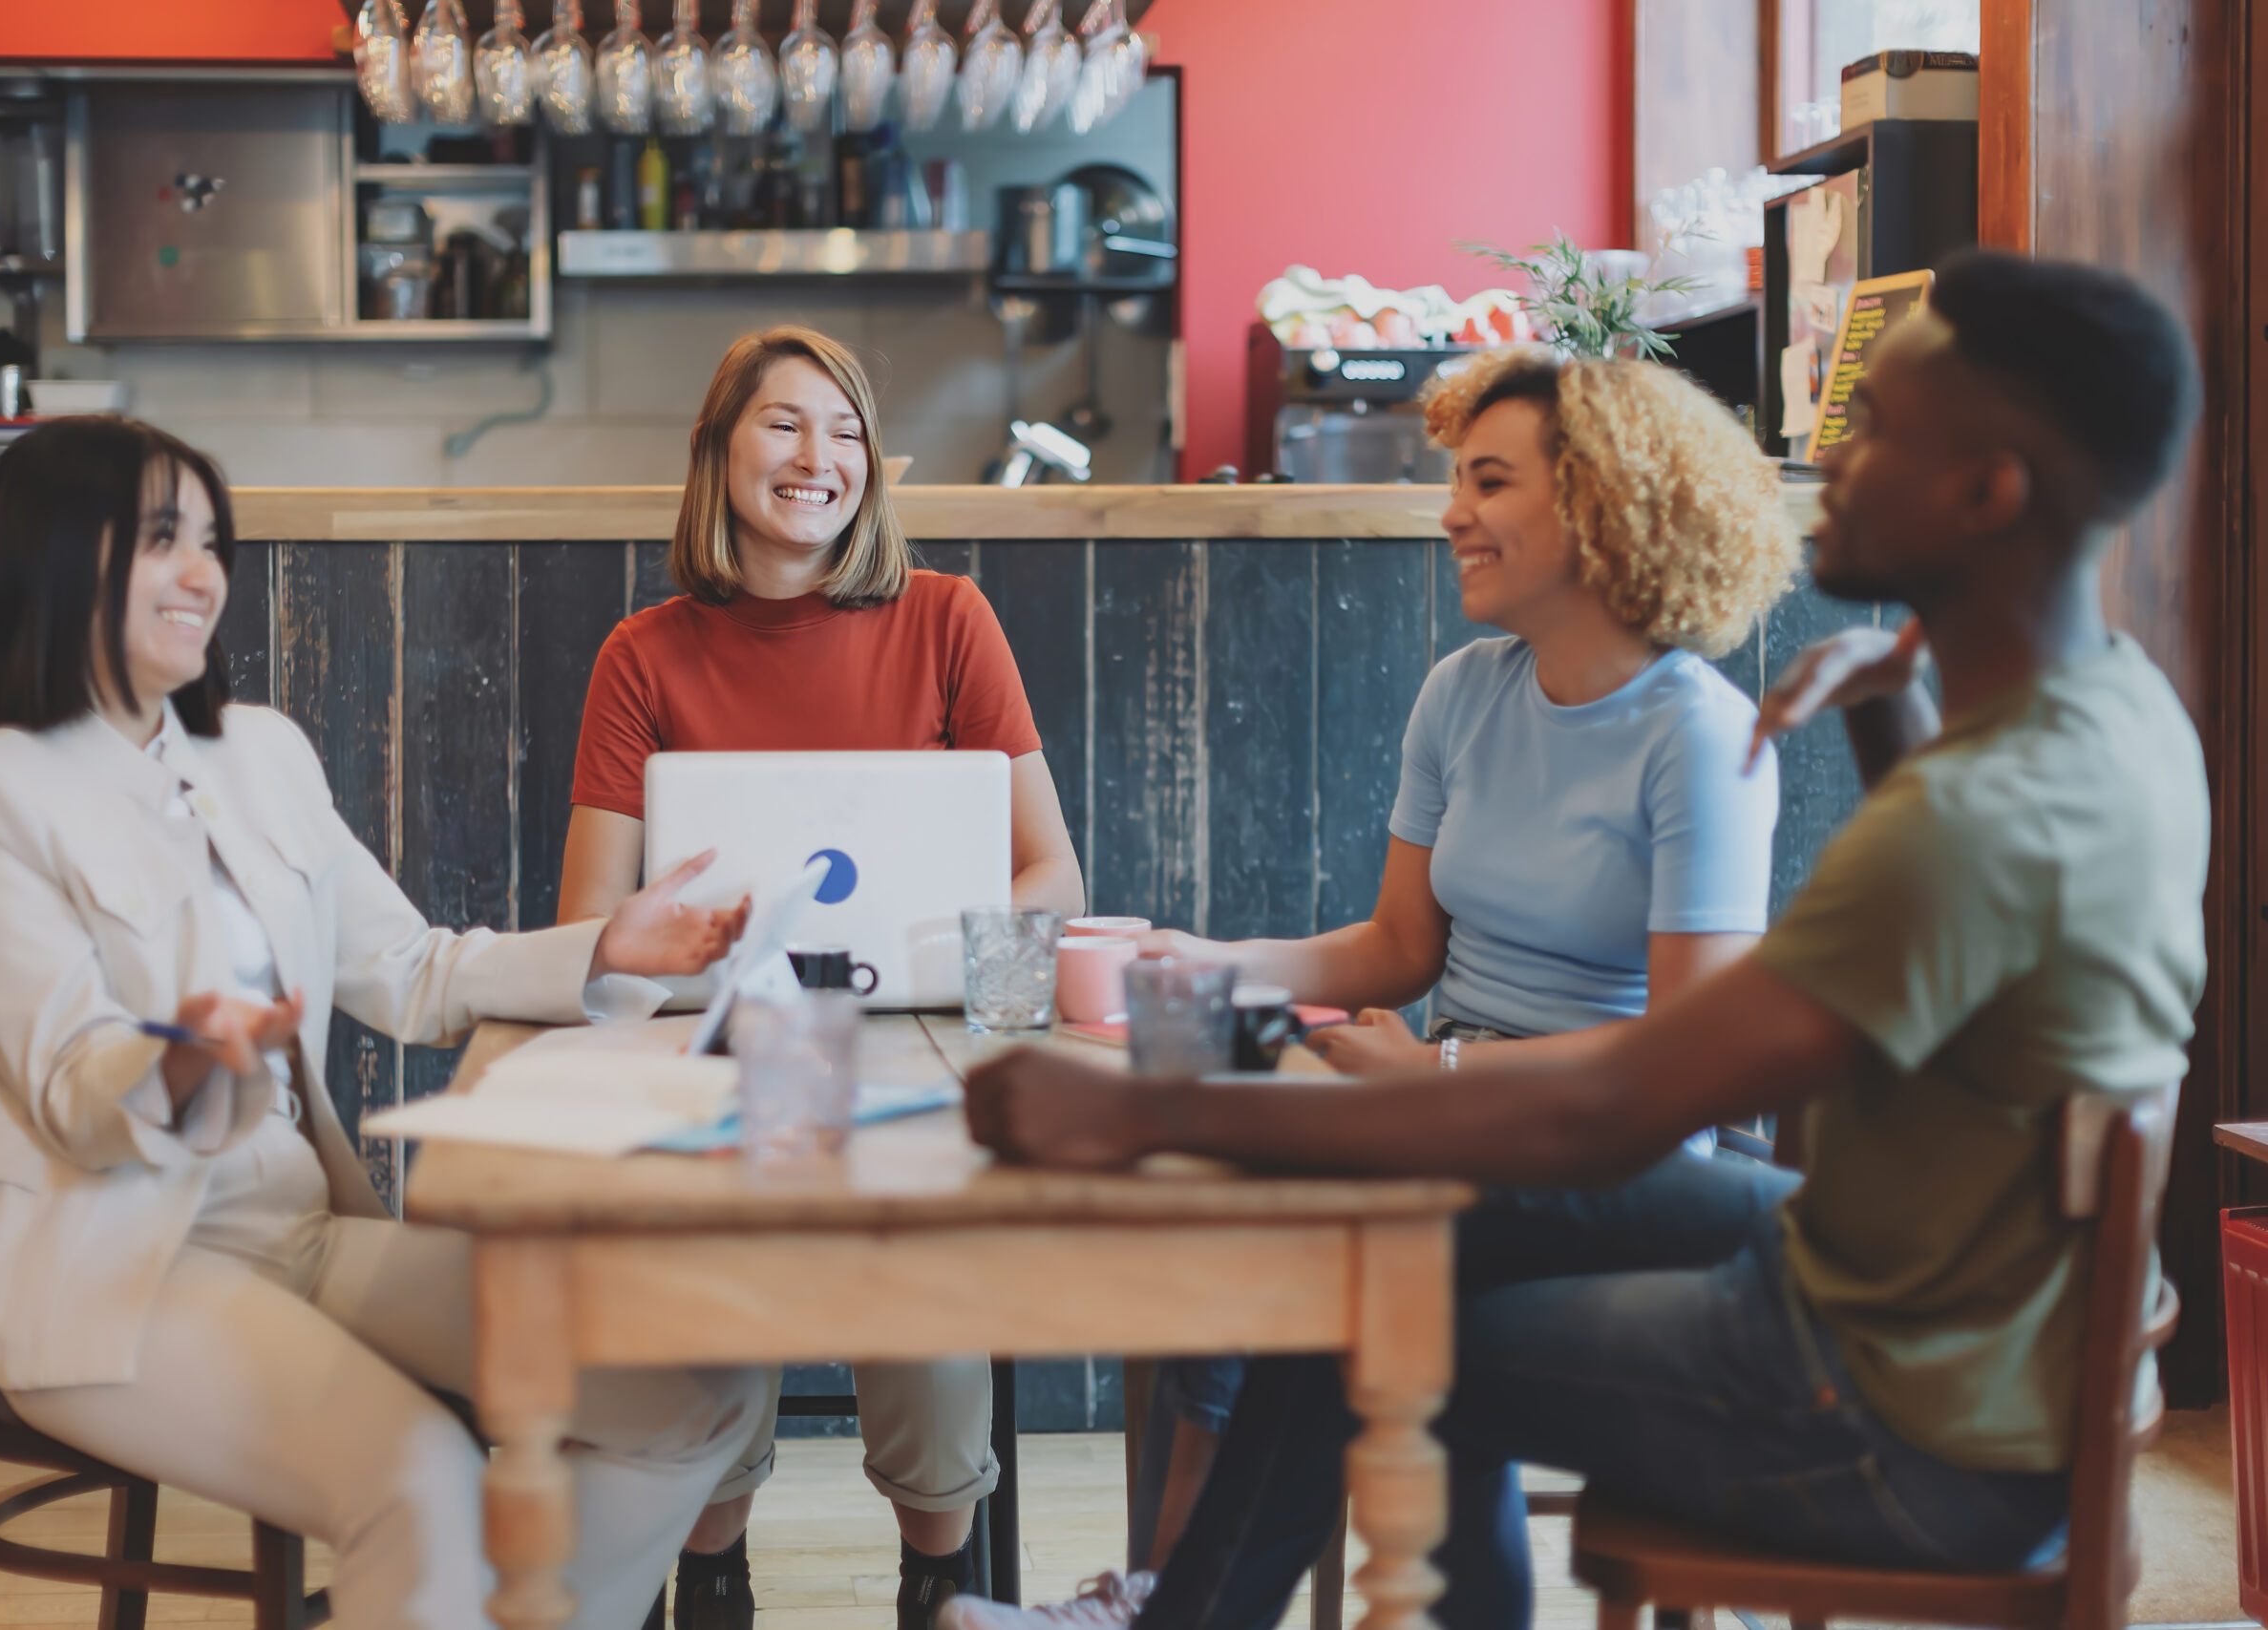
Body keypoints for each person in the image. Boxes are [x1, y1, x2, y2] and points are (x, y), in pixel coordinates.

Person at [944, 248, 2208, 1630]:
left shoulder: (1971, 813)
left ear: (1989, 493)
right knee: (1401, 1258)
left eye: (1878, 431)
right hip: (1954, 1326)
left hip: (1902, 1418)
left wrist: (1140, 1115)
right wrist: (1893, 697)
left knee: (1382, 1315)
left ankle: (1177, 1618)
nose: (1825, 459)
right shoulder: (2116, 715)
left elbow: (1613, 1107)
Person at [0, 416, 764, 1630]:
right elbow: (70, 1088)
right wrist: (187, 1063)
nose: (205, 573)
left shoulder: (258, 752)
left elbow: (408, 968)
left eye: (213, 541)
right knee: (418, 1479)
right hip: (104, 1276)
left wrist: (607, 951)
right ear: (53, 555)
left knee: (693, 1394)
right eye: (162, 540)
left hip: (296, 1237)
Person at [1118, 346, 1797, 1569]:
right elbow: (1394, 948)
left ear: (1602, 500)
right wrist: (1215, 964)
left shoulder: (1701, 739)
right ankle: (1164, 1592)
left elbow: (1692, 1058)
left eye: (1490, 482)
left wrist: (1437, 1086)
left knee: (1354, 1260)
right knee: (1220, 1223)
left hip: (1609, 1146)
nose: (1452, 513)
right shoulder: (1462, 692)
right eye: (1455, 481)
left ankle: (1166, 1604)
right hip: (1441, 1103)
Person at [555, 326, 1087, 1630]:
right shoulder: (643, 652)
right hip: (722, 1045)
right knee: (717, 1243)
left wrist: (945, 978)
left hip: (916, 1040)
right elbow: (588, 920)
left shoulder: (951, 617)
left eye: (846, 428)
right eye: (786, 423)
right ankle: (714, 1565)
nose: (821, 456)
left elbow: (1051, 878)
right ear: (719, 450)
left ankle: (939, 1576)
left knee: (924, 1243)